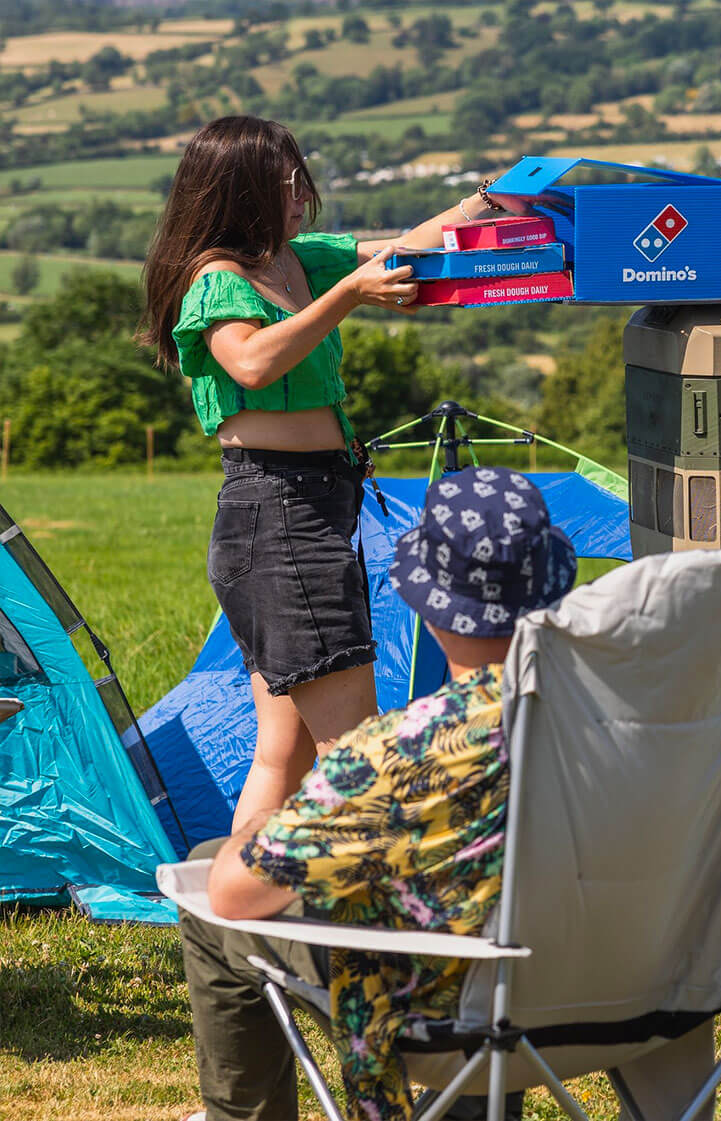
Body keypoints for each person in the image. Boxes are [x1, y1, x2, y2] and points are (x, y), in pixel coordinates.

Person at [139, 116, 526, 832]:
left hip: (302, 510)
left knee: (283, 755)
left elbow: (405, 247)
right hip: (279, 514)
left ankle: (236, 917)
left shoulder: (292, 259)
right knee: (357, 751)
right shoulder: (217, 281)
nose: (299, 193)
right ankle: (338, 912)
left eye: (298, 177)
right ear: (240, 190)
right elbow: (253, 362)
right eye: (284, 182)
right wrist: (348, 295)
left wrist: (486, 201)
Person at [178, 467, 576, 1121]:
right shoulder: (623, 717)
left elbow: (235, 891)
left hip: (446, 1005)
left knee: (209, 867)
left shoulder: (401, 754)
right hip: (612, 990)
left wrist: (263, 802)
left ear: (427, 600)